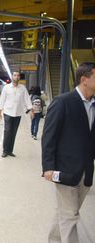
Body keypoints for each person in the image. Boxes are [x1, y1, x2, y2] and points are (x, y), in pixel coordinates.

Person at [42, 62, 95, 243]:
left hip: (86, 172)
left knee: (66, 213)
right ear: (84, 80)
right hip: (65, 170)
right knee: (70, 216)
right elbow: (49, 136)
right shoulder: (63, 102)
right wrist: (48, 167)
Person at [0, 71, 33, 157]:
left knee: (13, 132)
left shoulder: (22, 88)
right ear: (12, 77)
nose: (16, 77)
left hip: (18, 113)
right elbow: (2, 100)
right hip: (8, 113)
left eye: (18, 75)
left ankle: (10, 151)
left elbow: (27, 99)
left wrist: (31, 110)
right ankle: (5, 151)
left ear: (19, 77)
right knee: (7, 131)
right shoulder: (6, 88)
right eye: (15, 75)